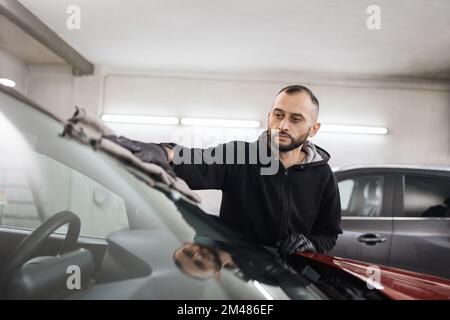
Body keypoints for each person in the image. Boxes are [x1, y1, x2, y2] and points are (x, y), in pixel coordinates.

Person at [107, 85, 342, 257]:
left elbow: (328, 235)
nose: (283, 125)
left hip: (291, 281)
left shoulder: (323, 176)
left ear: (314, 129)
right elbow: (197, 160)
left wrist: (310, 243)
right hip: (237, 276)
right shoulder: (241, 156)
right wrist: (163, 153)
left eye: (296, 119)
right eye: (278, 115)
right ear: (269, 117)